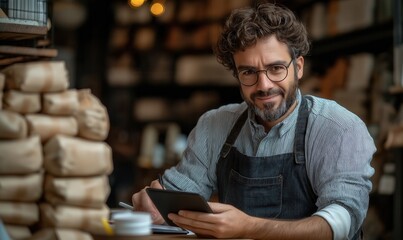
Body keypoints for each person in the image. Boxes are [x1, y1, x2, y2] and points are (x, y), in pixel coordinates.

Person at [132, 2, 376, 240]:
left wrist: (249, 227)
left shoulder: (338, 128)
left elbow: (341, 224)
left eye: (276, 68)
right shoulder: (214, 125)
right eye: (248, 72)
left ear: (298, 67)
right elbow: (178, 196)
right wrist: (156, 201)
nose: (264, 85)